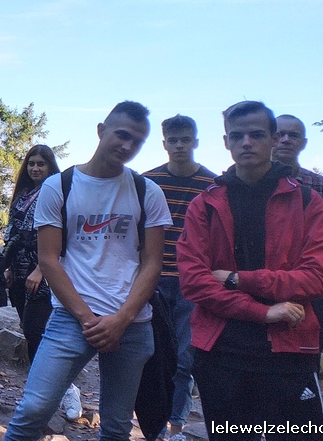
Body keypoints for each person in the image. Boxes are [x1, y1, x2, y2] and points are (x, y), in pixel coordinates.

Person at [2, 101, 172, 441]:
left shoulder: (147, 191)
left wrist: (122, 319)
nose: (127, 146)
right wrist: (86, 318)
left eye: (137, 141)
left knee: (116, 424)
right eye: (122, 135)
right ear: (101, 130)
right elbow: (48, 258)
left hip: (132, 322)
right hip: (71, 318)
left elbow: (153, 262)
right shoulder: (59, 186)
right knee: (33, 410)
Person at [177, 101, 323, 441]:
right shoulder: (205, 205)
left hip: (289, 350)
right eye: (237, 135)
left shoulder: (308, 201)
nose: (246, 142)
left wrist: (239, 279)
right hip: (221, 351)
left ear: (273, 139)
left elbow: (319, 277)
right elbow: (194, 281)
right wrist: (264, 312)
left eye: (256, 134)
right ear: (226, 142)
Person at [142, 115, 217, 441]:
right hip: (153, 281)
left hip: (192, 284)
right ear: (164, 143)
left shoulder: (213, 186)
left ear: (196, 142)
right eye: (174, 140)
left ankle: (175, 427)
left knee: (186, 359)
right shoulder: (148, 181)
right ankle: (153, 426)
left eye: (185, 140)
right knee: (154, 357)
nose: (180, 146)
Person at [2, 145, 82, 419]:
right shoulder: (22, 196)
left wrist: (41, 270)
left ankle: (65, 390)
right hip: (19, 270)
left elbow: (61, 236)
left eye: (41, 164)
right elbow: (11, 231)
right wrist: (9, 268)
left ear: (50, 167)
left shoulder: (56, 193)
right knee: (28, 330)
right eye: (31, 164)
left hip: (46, 270)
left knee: (38, 330)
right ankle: (47, 392)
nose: (35, 169)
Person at [273, 114, 323, 351]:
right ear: (268, 138)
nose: (285, 140)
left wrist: (320, 282)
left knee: (308, 358)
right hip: (255, 289)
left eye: (293, 135)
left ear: (304, 143)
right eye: (279, 134)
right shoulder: (243, 185)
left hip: (311, 294)